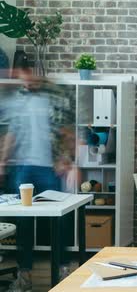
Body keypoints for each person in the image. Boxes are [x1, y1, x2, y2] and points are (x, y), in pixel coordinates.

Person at [0, 66, 77, 292]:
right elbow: (12, 133)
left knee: (59, 220)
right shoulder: (18, 100)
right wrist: (3, 163)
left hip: (49, 168)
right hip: (24, 169)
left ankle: (63, 271)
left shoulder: (53, 97)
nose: (27, 80)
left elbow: (65, 131)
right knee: (24, 224)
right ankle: (25, 276)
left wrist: (67, 159)